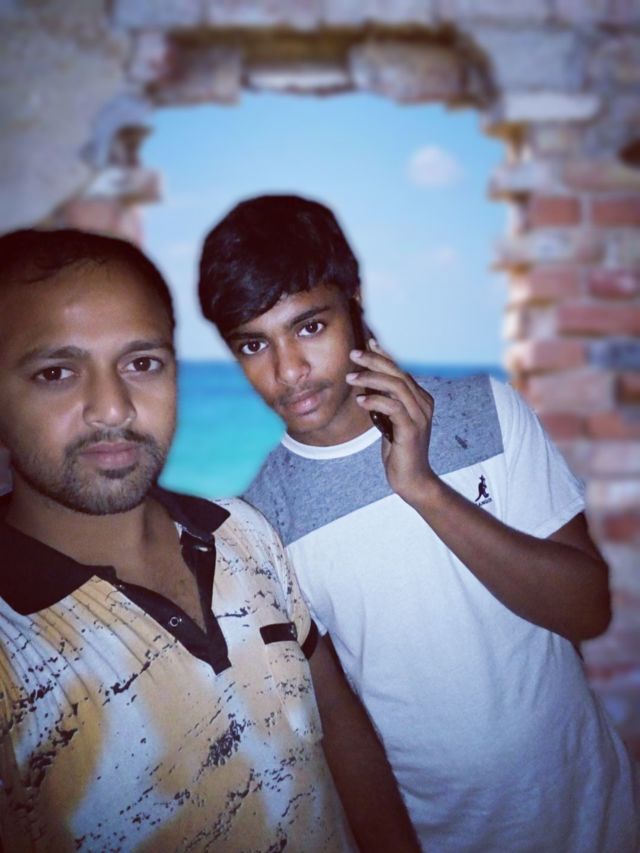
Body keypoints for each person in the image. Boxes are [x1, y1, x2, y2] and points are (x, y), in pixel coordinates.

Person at [197, 194, 640, 853]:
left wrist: (425, 489)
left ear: (354, 301)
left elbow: (588, 609)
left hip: (594, 813)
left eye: (309, 327)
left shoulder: (483, 413)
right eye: (254, 344)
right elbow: (339, 729)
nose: (287, 371)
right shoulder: (262, 521)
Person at [0, 228, 419, 852]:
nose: (113, 408)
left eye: (142, 364)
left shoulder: (243, 532)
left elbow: (336, 723)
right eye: (57, 372)